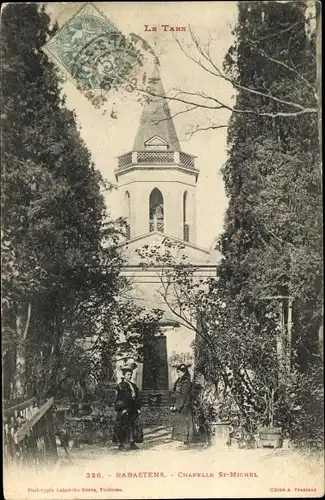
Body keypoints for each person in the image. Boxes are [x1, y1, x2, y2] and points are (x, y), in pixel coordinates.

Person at [114, 362, 142, 451]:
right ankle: (122, 445)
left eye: (130, 374)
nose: (130, 376)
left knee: (133, 426)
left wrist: (138, 408)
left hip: (132, 409)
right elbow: (120, 398)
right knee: (123, 427)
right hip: (125, 409)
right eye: (128, 374)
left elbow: (136, 398)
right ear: (124, 375)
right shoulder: (121, 386)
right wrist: (123, 409)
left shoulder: (133, 385)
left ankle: (132, 443)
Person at [170, 363, 196, 446]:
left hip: (184, 406)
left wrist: (177, 406)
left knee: (185, 423)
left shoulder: (186, 382)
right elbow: (175, 393)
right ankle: (183, 441)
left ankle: (186, 441)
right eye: (179, 371)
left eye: (181, 371)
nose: (179, 373)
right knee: (181, 423)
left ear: (185, 372)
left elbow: (183, 395)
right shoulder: (179, 381)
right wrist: (172, 404)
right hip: (180, 405)